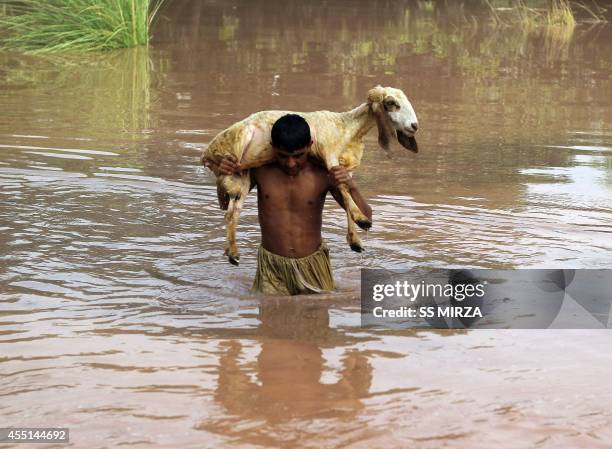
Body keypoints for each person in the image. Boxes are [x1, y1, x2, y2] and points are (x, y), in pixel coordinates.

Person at [216, 114, 372, 295]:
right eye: (283, 156)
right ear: (273, 148)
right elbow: (225, 203)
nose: (291, 163)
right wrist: (222, 177)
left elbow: (366, 218)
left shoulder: (324, 175)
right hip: (271, 267)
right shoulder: (260, 171)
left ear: (310, 146)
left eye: (298, 156)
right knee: (269, 319)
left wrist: (351, 185)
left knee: (317, 319)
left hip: (313, 265)